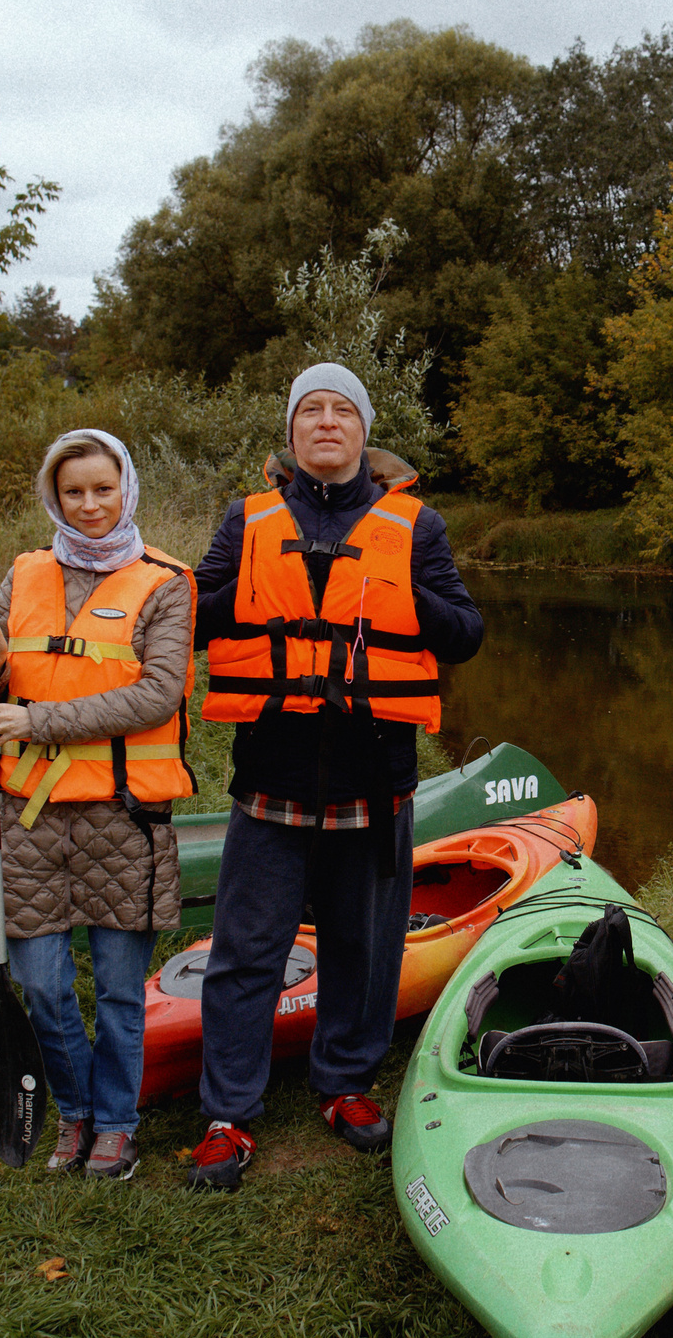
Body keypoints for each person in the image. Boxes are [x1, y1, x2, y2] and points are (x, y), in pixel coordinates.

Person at [184, 363, 484, 1191]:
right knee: (247, 951)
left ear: (363, 431)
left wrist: (403, 599)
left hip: (373, 774)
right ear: (290, 432)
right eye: (309, 409)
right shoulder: (244, 523)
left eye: (340, 409)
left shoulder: (417, 527)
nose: (324, 421)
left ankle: (344, 1082)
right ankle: (228, 1113)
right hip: (271, 776)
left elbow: (465, 633)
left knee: (365, 945)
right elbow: (194, 616)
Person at [0, 429, 196, 1181]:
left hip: (122, 818)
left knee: (123, 993)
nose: (90, 504)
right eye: (74, 492)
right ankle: (75, 1109)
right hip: (29, 818)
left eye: (103, 488)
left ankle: (118, 1125)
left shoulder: (166, 582)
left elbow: (158, 693)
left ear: (126, 488)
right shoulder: (23, 574)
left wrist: (39, 721)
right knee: (42, 985)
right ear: (53, 497)